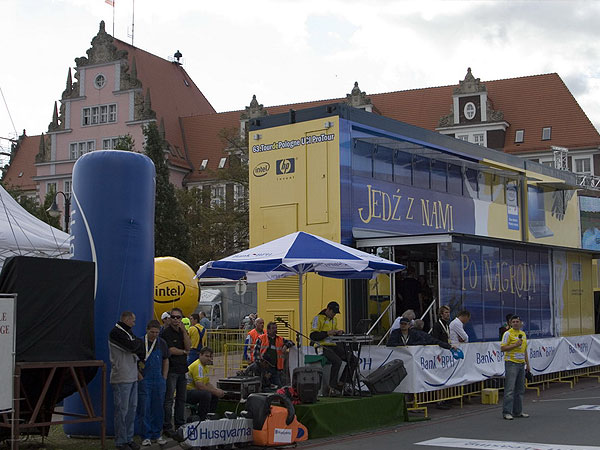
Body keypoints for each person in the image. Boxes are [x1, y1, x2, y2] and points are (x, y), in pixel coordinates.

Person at [108, 311, 144, 450]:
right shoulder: (115, 332)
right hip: (121, 376)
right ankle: (120, 441)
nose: (134, 323)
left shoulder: (128, 332)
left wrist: (137, 343)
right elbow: (133, 346)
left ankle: (129, 438)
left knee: (131, 409)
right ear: (127, 319)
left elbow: (139, 345)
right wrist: (137, 343)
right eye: (133, 321)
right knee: (122, 410)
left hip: (132, 375)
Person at [310, 301, 356, 392]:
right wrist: (327, 333)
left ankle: (343, 383)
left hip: (333, 345)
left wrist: (338, 333)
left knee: (353, 359)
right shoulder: (318, 318)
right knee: (337, 361)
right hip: (321, 347)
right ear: (328, 309)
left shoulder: (334, 320)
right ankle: (332, 386)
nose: (334, 315)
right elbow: (313, 336)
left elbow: (333, 335)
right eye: (333, 312)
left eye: (336, 313)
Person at [137, 320, 169, 447]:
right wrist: (140, 377)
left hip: (158, 379)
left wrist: (164, 377)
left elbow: (166, 360)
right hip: (145, 379)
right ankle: (145, 436)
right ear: (147, 330)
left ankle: (157, 434)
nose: (154, 334)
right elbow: (134, 361)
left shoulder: (162, 343)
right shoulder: (140, 343)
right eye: (152, 332)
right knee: (144, 407)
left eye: (157, 332)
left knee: (158, 407)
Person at [161, 307, 191, 435]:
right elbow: (170, 350)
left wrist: (184, 332)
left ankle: (180, 424)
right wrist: (184, 352)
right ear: (169, 318)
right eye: (173, 317)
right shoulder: (166, 333)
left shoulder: (182, 332)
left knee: (181, 399)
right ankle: (167, 426)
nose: (175, 320)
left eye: (178, 317)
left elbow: (189, 346)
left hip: (182, 369)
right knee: (169, 399)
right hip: (171, 370)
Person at [501, 315, 530, 420]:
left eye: (517, 321)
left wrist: (528, 364)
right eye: (514, 322)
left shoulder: (523, 334)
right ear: (510, 323)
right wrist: (515, 345)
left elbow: (525, 350)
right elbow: (503, 348)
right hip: (511, 363)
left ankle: (518, 411)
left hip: (521, 363)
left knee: (520, 389)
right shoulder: (507, 334)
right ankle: (507, 412)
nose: (516, 323)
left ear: (521, 323)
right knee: (510, 389)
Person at [186, 347, 225, 421]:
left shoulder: (205, 367)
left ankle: (210, 415)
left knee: (214, 395)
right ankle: (201, 418)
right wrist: (215, 391)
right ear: (200, 355)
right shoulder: (198, 366)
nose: (209, 358)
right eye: (206, 356)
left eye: (210, 356)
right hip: (186, 392)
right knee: (206, 395)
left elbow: (207, 383)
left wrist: (216, 390)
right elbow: (200, 386)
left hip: (194, 391)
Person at [254, 321, 293, 388]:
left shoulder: (280, 339)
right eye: (273, 328)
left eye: (276, 328)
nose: (275, 330)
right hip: (264, 368)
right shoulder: (261, 338)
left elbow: (291, 342)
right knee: (262, 387)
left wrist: (286, 346)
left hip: (275, 369)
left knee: (279, 387)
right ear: (268, 330)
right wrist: (263, 370)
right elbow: (256, 354)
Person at [387, 317, 452, 349]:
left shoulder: (414, 333)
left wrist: (410, 346)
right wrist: (403, 346)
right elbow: (389, 343)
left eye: (405, 324)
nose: (403, 325)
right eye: (401, 324)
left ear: (409, 325)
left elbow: (425, 341)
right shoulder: (395, 333)